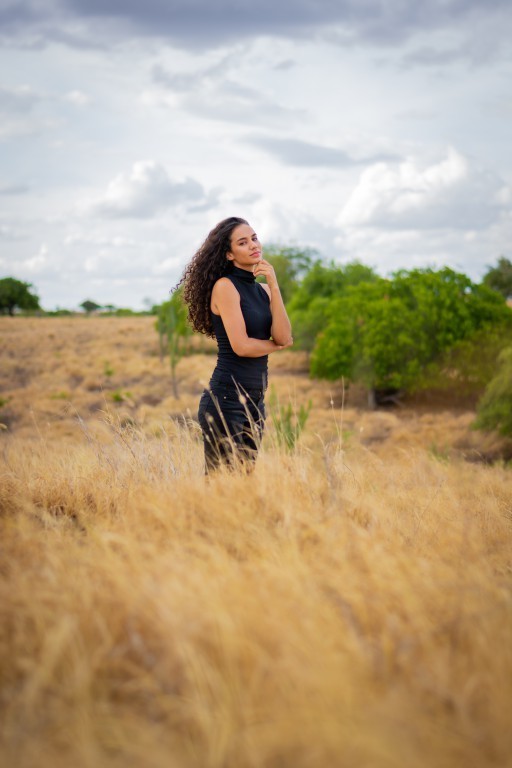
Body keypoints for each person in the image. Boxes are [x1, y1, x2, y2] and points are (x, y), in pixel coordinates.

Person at [178, 216, 293, 472]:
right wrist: (275, 346)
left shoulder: (264, 291)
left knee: (243, 484)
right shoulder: (225, 287)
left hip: (255, 400)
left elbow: (284, 336)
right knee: (222, 483)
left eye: (254, 238)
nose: (253, 245)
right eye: (242, 242)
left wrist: (274, 286)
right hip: (226, 399)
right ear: (229, 254)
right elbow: (242, 346)